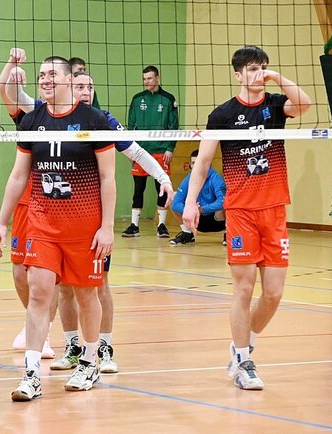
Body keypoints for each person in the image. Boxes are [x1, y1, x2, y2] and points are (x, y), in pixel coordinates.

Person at [182, 45, 311, 390]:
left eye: (262, 68)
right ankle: (242, 360)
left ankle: (243, 346)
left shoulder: (275, 105)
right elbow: (203, 163)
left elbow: (304, 104)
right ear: (238, 74)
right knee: (243, 288)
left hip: (274, 210)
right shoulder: (222, 115)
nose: (259, 74)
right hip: (240, 211)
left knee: (274, 293)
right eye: (252, 69)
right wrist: (191, 203)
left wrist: (277, 77)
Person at [0, 56, 115, 401]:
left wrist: (107, 227)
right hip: (43, 225)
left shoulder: (94, 120)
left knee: (87, 294)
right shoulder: (32, 121)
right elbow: (19, 175)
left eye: (51, 74)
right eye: (41, 75)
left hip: (84, 227)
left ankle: (89, 361)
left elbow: (108, 177)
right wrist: (2, 222)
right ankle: (31, 374)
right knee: (39, 292)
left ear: (69, 79)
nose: (45, 80)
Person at [51, 72, 174, 374]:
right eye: (80, 86)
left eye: (90, 87)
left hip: (93, 218)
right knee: (64, 287)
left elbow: (137, 151)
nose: (86, 92)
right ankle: (72, 346)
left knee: (99, 285)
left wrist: (163, 177)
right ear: (68, 88)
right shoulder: (53, 118)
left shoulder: (102, 120)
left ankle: (104, 347)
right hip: (60, 217)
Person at [0, 48, 55, 358]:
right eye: (42, 76)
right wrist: (13, 63)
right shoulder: (30, 115)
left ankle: (45, 332)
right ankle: (32, 321)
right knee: (20, 272)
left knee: (45, 273)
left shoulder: (77, 118)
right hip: (24, 202)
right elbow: (4, 90)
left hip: (52, 202)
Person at [123, 65, 179, 238]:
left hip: (161, 150)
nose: (146, 82)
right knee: (138, 189)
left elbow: (174, 126)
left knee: (161, 188)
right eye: (144, 79)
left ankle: (161, 226)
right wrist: (130, 150)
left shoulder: (168, 99)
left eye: (149, 78)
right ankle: (134, 225)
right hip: (140, 151)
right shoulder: (137, 99)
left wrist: (170, 148)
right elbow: (130, 126)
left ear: (157, 78)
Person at [170, 149, 226, 245]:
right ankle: (187, 234)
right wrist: (192, 210)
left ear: (207, 163)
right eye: (193, 163)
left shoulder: (216, 178)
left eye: (199, 163)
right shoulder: (188, 180)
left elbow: (222, 201)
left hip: (217, 220)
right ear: (190, 165)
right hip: (196, 219)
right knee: (173, 198)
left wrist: (202, 209)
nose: (196, 166)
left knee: (227, 202)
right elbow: (175, 204)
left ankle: (228, 233)